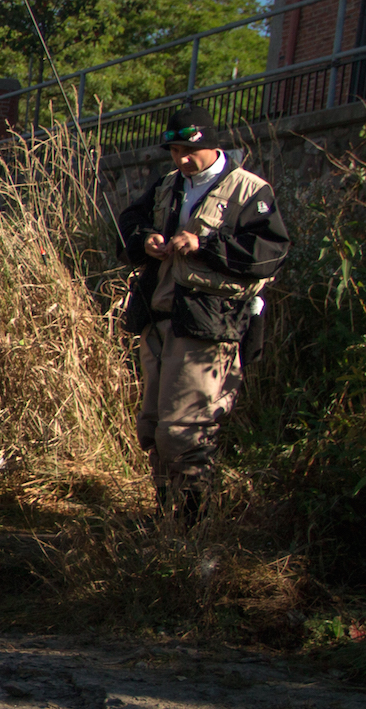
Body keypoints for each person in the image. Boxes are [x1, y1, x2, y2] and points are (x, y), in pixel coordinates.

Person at [116, 105, 289, 522]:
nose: (181, 159)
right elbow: (128, 225)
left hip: (209, 326)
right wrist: (147, 240)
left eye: (189, 150)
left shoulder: (251, 190)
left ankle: (192, 527)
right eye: (174, 151)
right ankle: (163, 521)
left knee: (184, 433)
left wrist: (205, 245)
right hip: (160, 319)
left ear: (213, 144)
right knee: (153, 429)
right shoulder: (167, 186)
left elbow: (270, 253)